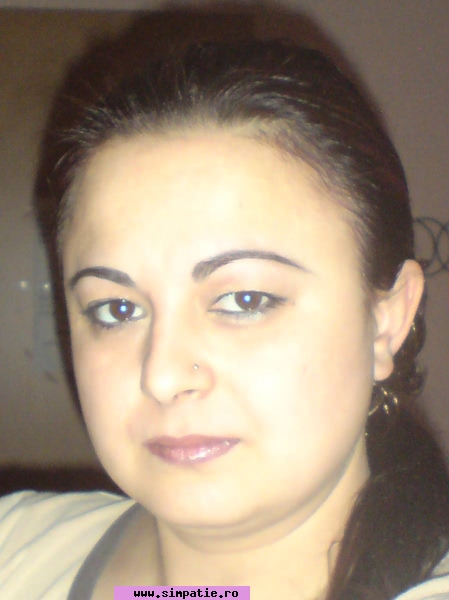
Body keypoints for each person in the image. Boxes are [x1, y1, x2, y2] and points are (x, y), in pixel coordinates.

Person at [1, 39, 449, 600]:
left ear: (386, 319)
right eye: (117, 309)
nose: (163, 376)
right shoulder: (13, 546)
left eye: (245, 300)